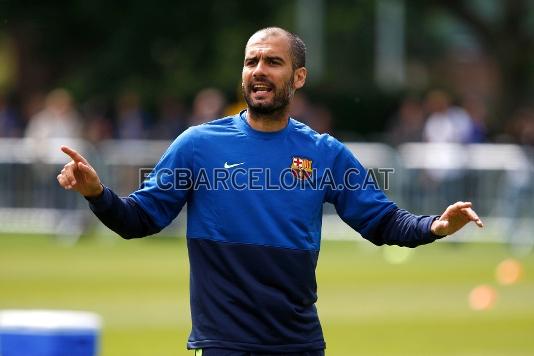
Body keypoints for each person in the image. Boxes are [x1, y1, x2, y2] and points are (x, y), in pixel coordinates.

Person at [57, 27, 483, 356]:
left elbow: (382, 220)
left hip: (298, 342)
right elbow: (138, 219)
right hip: (222, 342)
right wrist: (98, 193)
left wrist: (436, 225)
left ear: (298, 77)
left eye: (272, 61)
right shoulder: (197, 145)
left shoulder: (324, 153)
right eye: (251, 61)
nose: (258, 69)